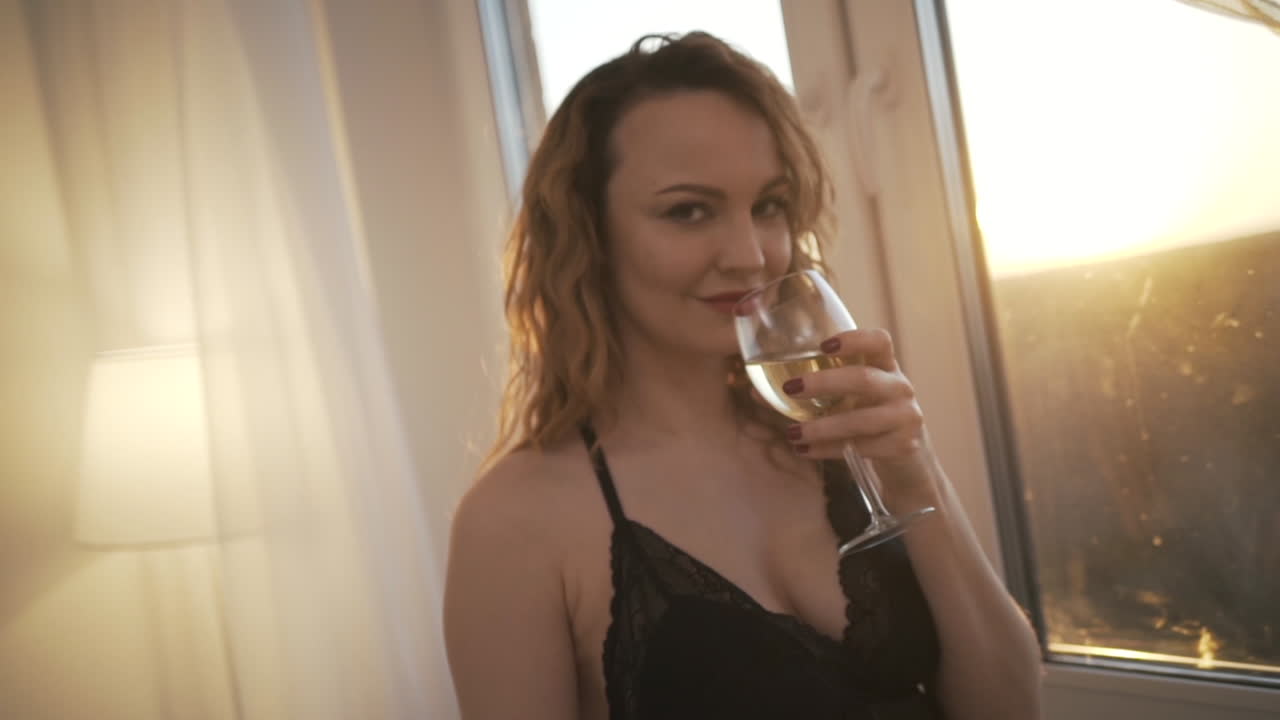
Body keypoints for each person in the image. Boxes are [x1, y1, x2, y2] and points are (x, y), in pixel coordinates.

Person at [443, 31, 1041, 720]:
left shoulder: (846, 436)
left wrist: (917, 472)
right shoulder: (514, 521)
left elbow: (1013, 708)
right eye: (688, 211)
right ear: (588, 234)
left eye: (768, 205)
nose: (750, 256)